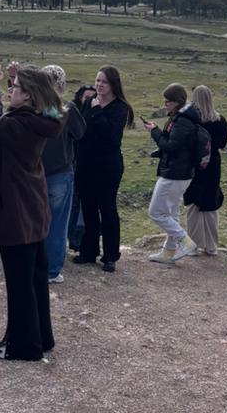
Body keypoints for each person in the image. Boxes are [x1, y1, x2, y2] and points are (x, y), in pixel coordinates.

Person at [0, 55, 64, 360]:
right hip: (30, 208)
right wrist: (20, 77)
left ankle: (23, 346)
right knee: (34, 277)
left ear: (28, 97)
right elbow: (9, 116)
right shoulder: (38, 120)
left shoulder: (20, 124)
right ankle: (41, 336)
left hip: (15, 210)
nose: (9, 90)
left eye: (15, 88)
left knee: (19, 281)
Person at [72, 66, 134, 273]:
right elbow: (81, 129)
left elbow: (111, 136)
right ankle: (88, 251)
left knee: (107, 209)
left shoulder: (120, 108)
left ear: (113, 84)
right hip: (85, 163)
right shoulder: (89, 101)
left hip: (107, 166)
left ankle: (110, 255)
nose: (98, 85)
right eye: (97, 80)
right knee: (88, 208)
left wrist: (97, 111)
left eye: (103, 81)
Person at [142, 85, 207, 263]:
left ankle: (184, 240)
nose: (165, 105)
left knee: (155, 212)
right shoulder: (181, 118)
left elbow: (171, 147)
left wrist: (154, 132)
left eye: (167, 102)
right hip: (181, 172)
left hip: (174, 173)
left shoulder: (182, 121)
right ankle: (168, 251)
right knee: (171, 213)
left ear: (177, 102)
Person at [40, 65, 86, 283]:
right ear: (61, 84)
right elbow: (80, 133)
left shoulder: (32, 106)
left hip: (34, 171)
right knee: (58, 224)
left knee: (35, 220)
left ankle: (34, 263)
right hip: (60, 171)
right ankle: (52, 270)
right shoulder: (67, 109)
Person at [181, 84, 227, 256]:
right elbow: (222, 144)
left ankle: (193, 245)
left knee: (192, 203)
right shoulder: (220, 120)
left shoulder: (191, 120)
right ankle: (211, 245)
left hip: (194, 164)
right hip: (213, 164)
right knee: (210, 202)